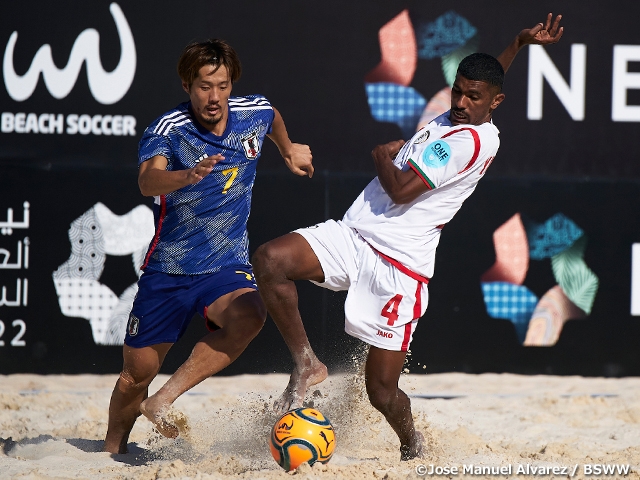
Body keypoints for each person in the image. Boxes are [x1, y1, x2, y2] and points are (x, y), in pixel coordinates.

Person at [252, 14, 563, 460]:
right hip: (355, 235)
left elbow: (398, 191)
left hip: (399, 267)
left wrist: (381, 156)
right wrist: (517, 43)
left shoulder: (467, 142)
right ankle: (306, 361)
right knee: (270, 259)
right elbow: (485, 76)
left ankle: (412, 443)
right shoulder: (469, 107)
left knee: (381, 391)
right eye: (457, 89)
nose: (460, 100)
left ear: (495, 104)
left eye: (472, 97)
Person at [103, 39, 313, 454]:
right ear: (187, 84)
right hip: (169, 269)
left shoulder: (252, 112)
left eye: (222, 85)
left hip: (224, 264)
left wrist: (288, 150)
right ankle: (111, 451)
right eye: (204, 86)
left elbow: (271, 117)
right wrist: (187, 176)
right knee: (136, 373)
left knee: (251, 314)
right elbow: (147, 181)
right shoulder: (169, 129)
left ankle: (163, 401)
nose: (214, 97)